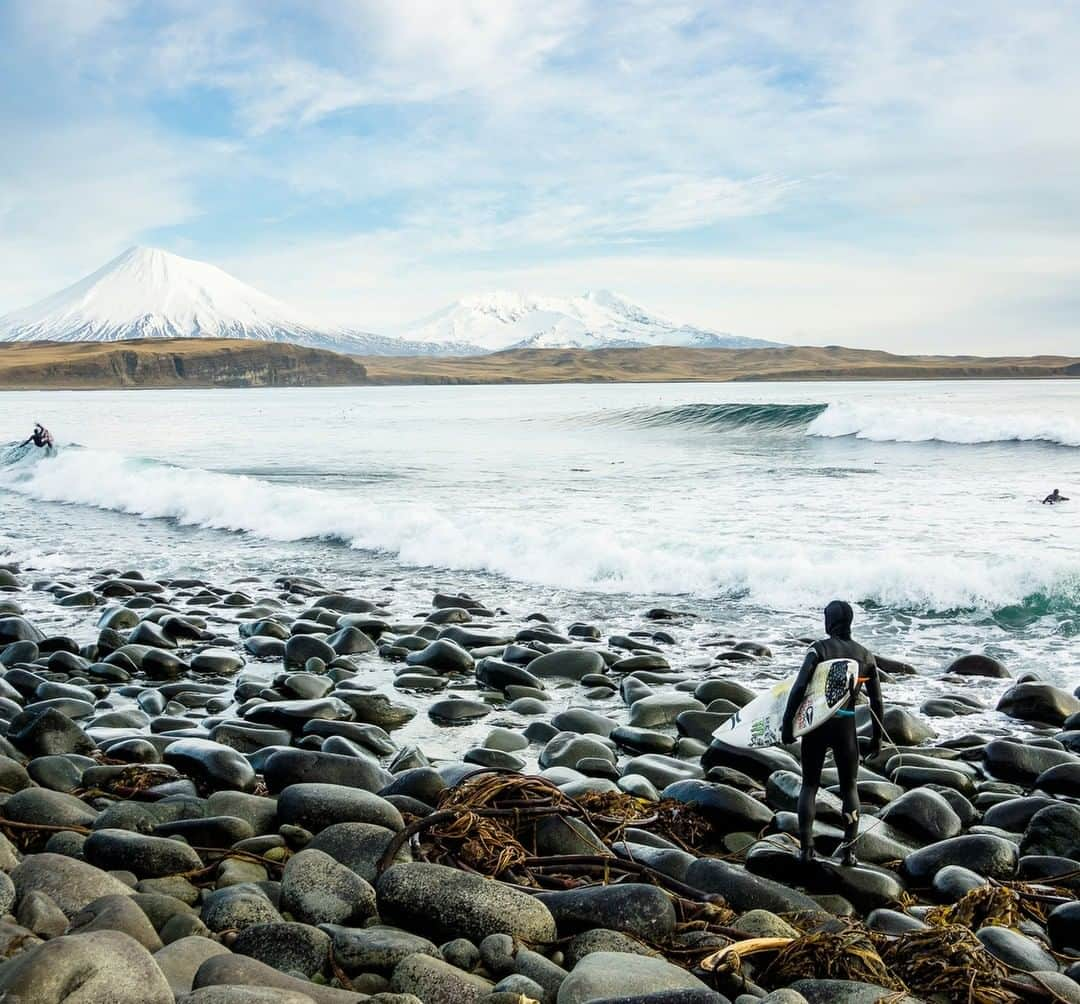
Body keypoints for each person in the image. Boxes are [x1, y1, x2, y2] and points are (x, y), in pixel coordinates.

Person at [781, 600, 884, 866]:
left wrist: (787, 723)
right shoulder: (866, 656)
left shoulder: (819, 649)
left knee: (809, 785)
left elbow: (800, 685)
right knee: (850, 787)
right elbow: (876, 702)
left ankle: (806, 849)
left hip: (817, 725)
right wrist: (877, 738)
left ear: (832, 621)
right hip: (846, 725)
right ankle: (849, 852)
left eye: (826, 616)